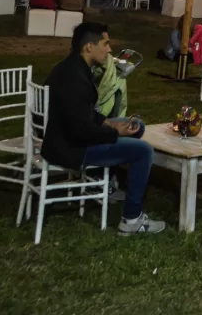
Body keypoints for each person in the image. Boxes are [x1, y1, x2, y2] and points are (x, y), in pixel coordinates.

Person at [41, 22, 164, 235]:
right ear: (89, 46)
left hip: (68, 137)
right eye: (105, 44)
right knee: (143, 151)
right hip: (71, 148)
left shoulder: (75, 67)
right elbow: (80, 131)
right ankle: (132, 219)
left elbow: (83, 114)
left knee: (137, 125)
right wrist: (115, 132)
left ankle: (104, 182)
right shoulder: (73, 78)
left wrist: (108, 122)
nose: (109, 49)